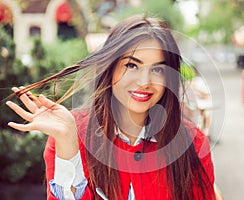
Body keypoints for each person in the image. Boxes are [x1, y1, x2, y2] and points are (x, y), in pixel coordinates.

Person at [6, 15, 217, 200]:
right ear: (111, 67)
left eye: (158, 70)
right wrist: (68, 147)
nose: (144, 81)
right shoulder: (71, 134)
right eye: (131, 65)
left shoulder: (192, 142)